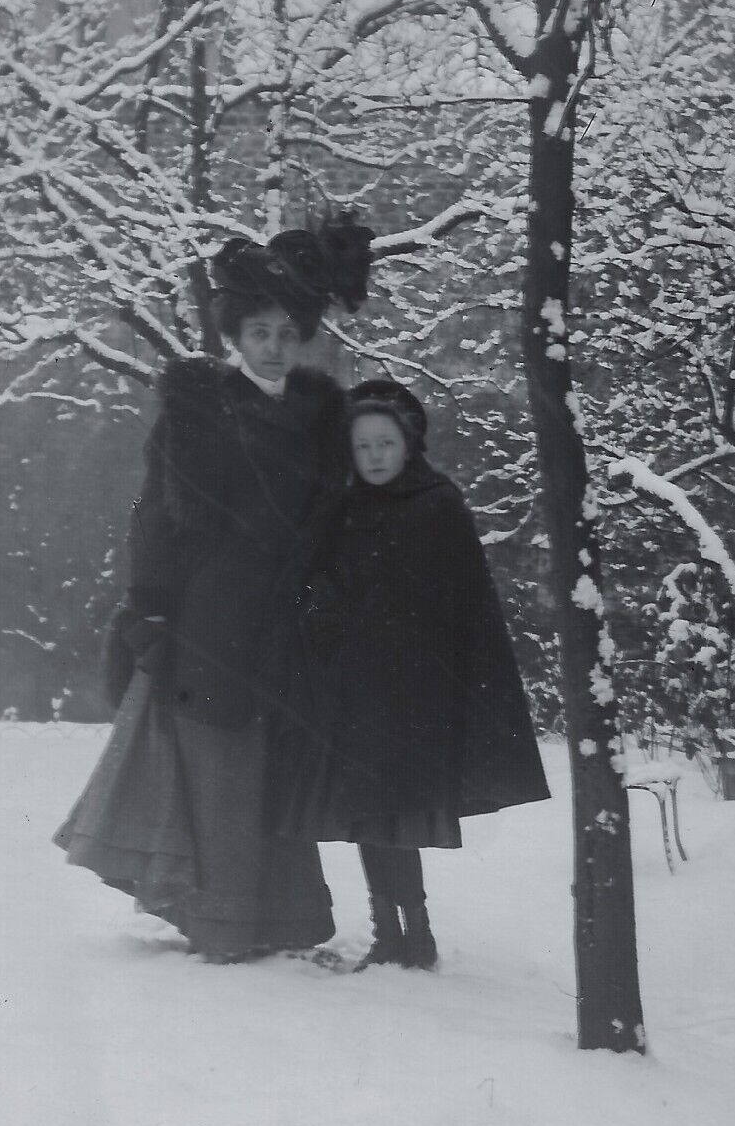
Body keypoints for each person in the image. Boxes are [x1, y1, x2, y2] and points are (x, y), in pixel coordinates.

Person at [54, 220, 374, 962]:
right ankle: (221, 924)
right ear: (234, 335)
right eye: (258, 331)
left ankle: (286, 920)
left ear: (301, 339)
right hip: (212, 610)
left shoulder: (322, 416)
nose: (272, 346)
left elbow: (334, 522)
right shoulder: (199, 408)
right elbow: (155, 515)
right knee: (220, 764)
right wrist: (152, 605)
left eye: (285, 333)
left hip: (289, 614)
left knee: (274, 765)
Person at [280, 379, 551, 970]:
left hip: (414, 692)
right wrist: (321, 611)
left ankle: (418, 931)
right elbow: (313, 581)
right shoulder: (342, 507)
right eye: (362, 447)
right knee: (367, 815)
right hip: (354, 691)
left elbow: (460, 604)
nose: (375, 456)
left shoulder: (437, 504)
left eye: (385, 443)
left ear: (407, 445)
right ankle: (387, 931)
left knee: (399, 812)